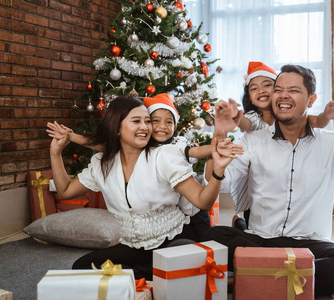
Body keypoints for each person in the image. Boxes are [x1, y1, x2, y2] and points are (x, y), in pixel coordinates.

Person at [203, 64, 334, 298]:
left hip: (309, 246)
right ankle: (306, 281)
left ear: (311, 99)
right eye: (278, 89)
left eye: (293, 90)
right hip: (261, 241)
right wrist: (219, 134)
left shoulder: (333, 143)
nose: (283, 95)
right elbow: (216, 182)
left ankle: (250, 279)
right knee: (212, 237)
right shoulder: (252, 141)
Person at [49, 95, 240, 280]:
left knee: (179, 260)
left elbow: (203, 202)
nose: (144, 127)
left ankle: (162, 276)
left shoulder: (164, 155)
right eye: (136, 121)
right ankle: (154, 277)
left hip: (174, 241)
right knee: (82, 267)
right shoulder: (102, 164)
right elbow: (65, 191)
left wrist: (218, 171)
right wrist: (56, 152)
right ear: (117, 128)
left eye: (147, 121)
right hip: (135, 248)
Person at [230, 62, 334, 229]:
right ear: (249, 97)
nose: (261, 91)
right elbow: (246, 125)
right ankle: (243, 225)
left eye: (267, 85)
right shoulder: (253, 117)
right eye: (254, 88)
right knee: (256, 208)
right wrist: (236, 118)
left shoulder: (289, 114)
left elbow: (318, 122)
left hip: (281, 171)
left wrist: (327, 114)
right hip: (258, 170)